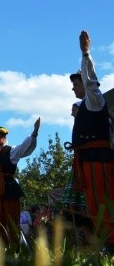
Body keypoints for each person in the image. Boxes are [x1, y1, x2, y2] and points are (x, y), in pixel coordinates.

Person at [68, 30, 114, 251]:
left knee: (103, 202)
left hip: (98, 162)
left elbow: (91, 82)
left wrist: (85, 54)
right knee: (94, 205)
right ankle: (104, 244)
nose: (73, 88)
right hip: (87, 162)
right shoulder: (84, 106)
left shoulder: (94, 101)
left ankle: (111, 244)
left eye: (75, 84)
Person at [0, 119, 40, 245]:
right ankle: (0, 246)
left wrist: (34, 132)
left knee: (11, 217)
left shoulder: (12, 150)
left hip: (9, 188)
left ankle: (14, 245)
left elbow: (25, 146)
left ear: (4, 136)